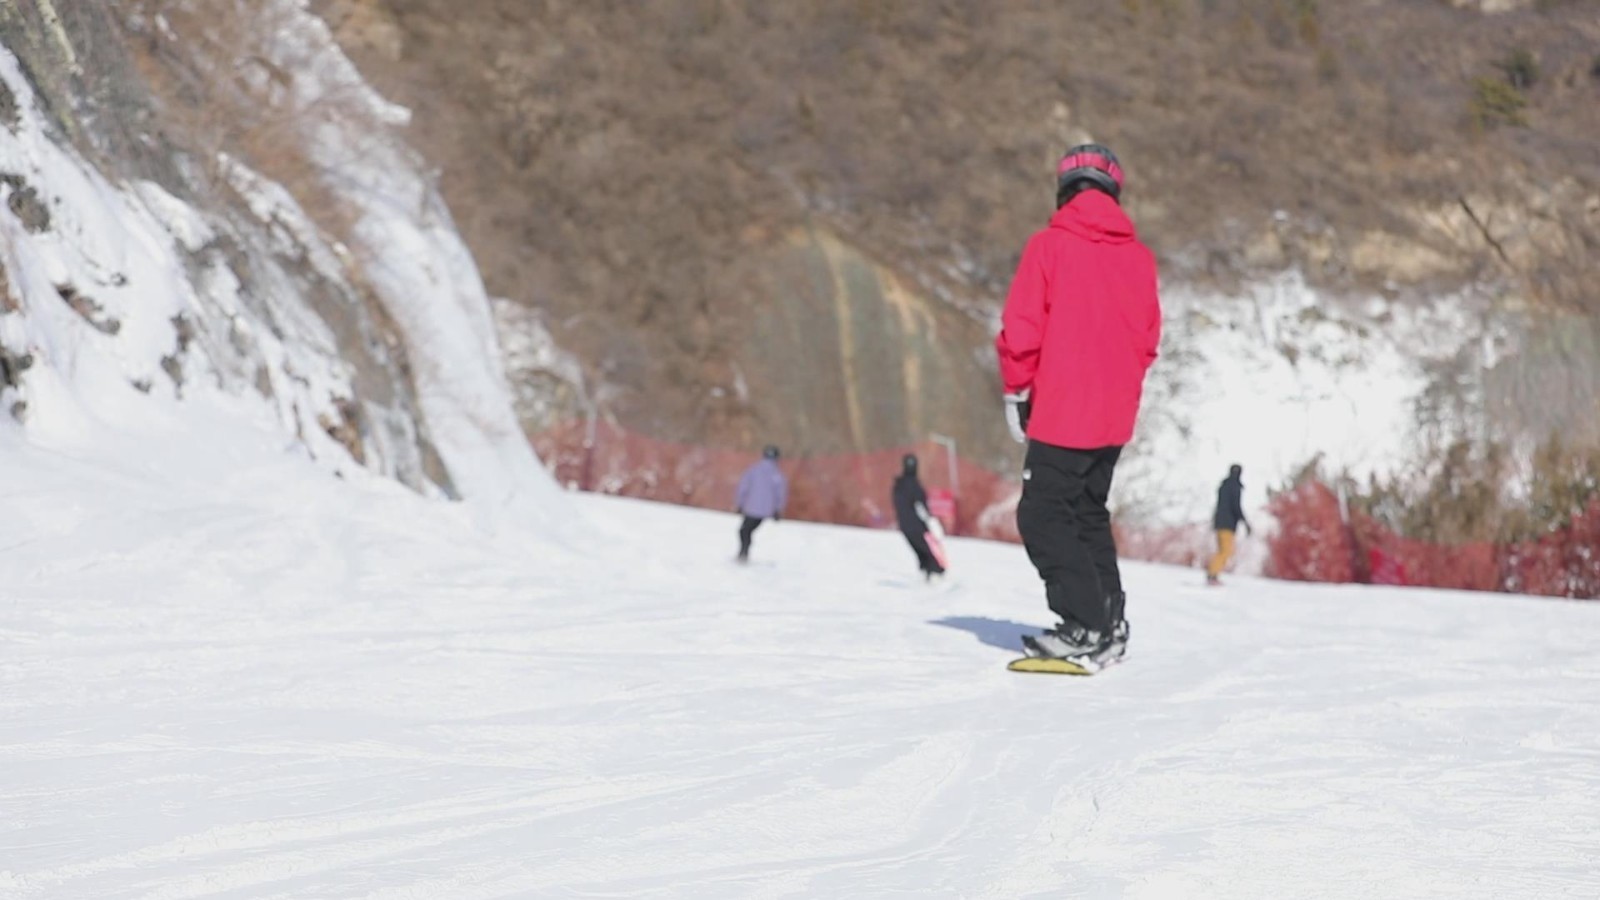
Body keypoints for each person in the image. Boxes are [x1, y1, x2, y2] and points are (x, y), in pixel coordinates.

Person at [995, 143, 1162, 661]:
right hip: (1114, 416)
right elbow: (1148, 339)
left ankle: (1083, 625)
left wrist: (1017, 389)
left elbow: (1022, 330)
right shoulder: (1139, 258)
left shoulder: (1049, 246)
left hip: (1063, 410)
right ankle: (1109, 620)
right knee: (1087, 511)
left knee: (1043, 515)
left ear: (1065, 190)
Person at [891, 454, 946, 581]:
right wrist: (930, 521)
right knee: (927, 550)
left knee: (920, 551)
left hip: (904, 525)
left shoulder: (898, 485)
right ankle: (934, 573)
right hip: (916, 525)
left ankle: (925, 574)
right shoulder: (914, 484)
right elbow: (921, 506)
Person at [734, 444, 787, 563]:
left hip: (751, 508)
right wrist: (777, 510)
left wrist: (740, 504)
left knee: (744, 530)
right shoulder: (777, 475)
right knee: (747, 530)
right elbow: (780, 494)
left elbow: (743, 488)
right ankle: (744, 552)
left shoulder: (753, 470)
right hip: (765, 510)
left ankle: (743, 552)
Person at [1206, 464, 1251, 585]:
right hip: (1228, 524)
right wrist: (1245, 522)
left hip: (1219, 522)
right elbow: (1236, 506)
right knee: (1226, 551)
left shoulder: (1223, 486)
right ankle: (1212, 575)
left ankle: (1212, 572)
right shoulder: (1235, 487)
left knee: (1221, 550)